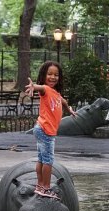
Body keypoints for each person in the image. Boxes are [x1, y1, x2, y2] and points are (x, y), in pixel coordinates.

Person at [25, 61, 77, 199]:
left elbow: (63, 102)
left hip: (41, 128)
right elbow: (40, 88)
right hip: (45, 130)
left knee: (42, 159)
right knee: (48, 160)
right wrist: (33, 86)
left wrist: (69, 110)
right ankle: (46, 188)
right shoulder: (46, 89)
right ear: (44, 75)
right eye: (49, 74)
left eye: (56, 75)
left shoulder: (56, 93)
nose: (53, 77)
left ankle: (40, 185)